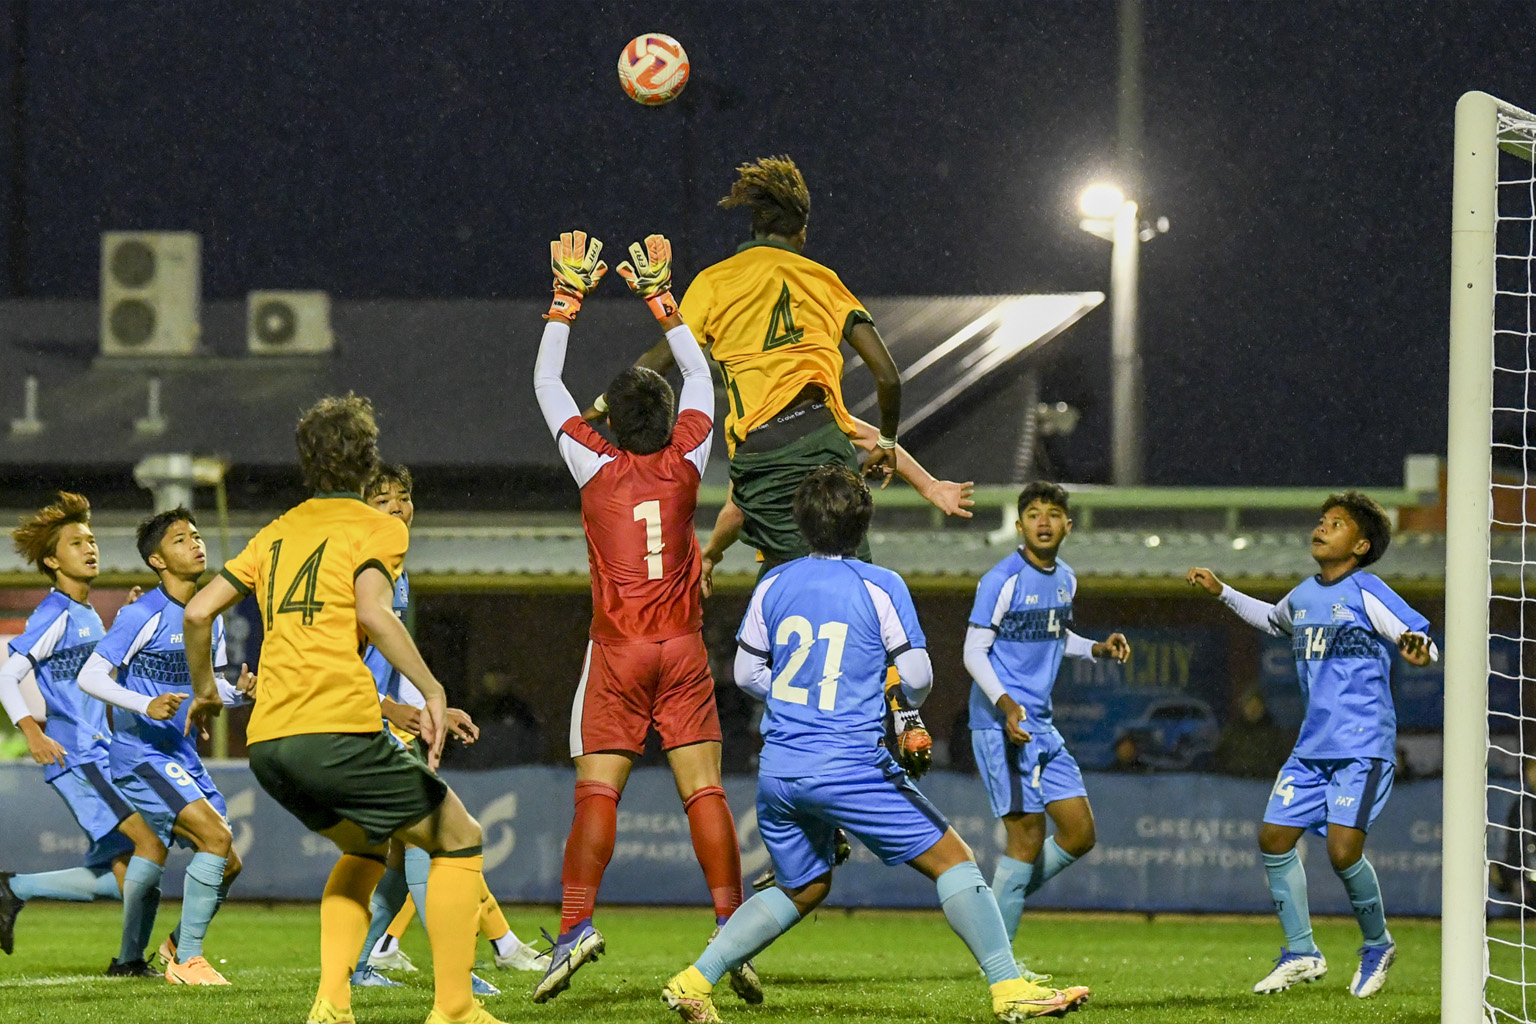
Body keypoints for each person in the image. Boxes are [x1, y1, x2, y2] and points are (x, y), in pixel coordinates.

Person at [661, 466, 1089, 1024]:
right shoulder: (880, 583)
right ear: (863, 522)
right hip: (848, 764)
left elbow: (745, 674)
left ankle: (693, 982)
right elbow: (918, 674)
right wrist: (885, 695)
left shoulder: (774, 583)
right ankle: (1010, 989)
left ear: (802, 522)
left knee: (805, 884)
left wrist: (801, 697)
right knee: (956, 860)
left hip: (781, 767)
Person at [181, 394, 504, 1024]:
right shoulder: (379, 527)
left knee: (364, 848)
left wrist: (204, 691)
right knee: (459, 837)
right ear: (367, 459)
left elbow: (197, 612)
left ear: (307, 463)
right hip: (337, 728)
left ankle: (331, 1004)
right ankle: (456, 1009)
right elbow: (372, 613)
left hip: (270, 743)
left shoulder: (275, 532)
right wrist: (433, 688)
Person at [530, 231, 752, 1005]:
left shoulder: (594, 462)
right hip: (684, 648)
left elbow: (547, 383)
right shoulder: (691, 456)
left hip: (619, 652)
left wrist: (568, 300)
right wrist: (663, 298)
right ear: (666, 416)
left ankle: (573, 928)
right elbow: (698, 371)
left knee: (598, 794)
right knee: (706, 794)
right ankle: (731, 928)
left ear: (611, 423)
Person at [591, 155, 903, 573]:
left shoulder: (715, 281)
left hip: (763, 454)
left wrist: (606, 403)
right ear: (802, 235)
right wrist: (885, 441)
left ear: (753, 229)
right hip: (822, 440)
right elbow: (887, 376)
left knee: (785, 578)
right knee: (852, 578)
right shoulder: (823, 279)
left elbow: (659, 360)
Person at [1188, 490, 1437, 999]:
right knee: (1274, 838)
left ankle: (1377, 944)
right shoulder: (1303, 595)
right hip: (1311, 749)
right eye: (1322, 520)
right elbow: (1274, 620)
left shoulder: (1368, 590)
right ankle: (1302, 952)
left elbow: (1417, 637)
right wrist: (1222, 590)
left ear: (1361, 545)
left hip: (1362, 747)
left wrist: (1420, 649)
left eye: (1337, 523)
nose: (1322, 527)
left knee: (1344, 853)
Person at [351, 464, 547, 989]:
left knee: (404, 849)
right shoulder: (357, 570)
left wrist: (434, 704)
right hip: (363, 726)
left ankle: (367, 963)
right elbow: (341, 664)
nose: (397, 507)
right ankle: (462, 966)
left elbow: (391, 661)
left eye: (404, 496)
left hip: (385, 725)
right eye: (382, 498)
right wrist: (394, 712)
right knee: (436, 841)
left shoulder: (394, 571)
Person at [964, 481, 1130, 979]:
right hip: (1002, 723)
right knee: (1027, 839)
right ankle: (1001, 966)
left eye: (1053, 513)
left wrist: (1094, 648)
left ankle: (991, 910)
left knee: (1079, 833)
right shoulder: (1002, 578)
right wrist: (1007, 704)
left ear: (1067, 527)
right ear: (1019, 526)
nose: (1043, 521)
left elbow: (1058, 636)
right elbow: (973, 651)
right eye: (1033, 513)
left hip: (1041, 726)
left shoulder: (1067, 580)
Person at [77, 508, 249, 985]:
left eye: (196, 536)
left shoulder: (206, 617)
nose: (195, 544)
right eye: (180, 539)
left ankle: (171, 949)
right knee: (215, 840)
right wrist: (143, 702)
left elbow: (207, 689)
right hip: (141, 755)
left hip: (181, 754)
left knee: (228, 861)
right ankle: (187, 961)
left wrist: (239, 692)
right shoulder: (141, 613)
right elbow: (89, 675)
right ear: (157, 559)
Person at [0, 492, 167, 976]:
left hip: (101, 752)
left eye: (91, 540)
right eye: (76, 543)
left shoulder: (87, 613)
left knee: (123, 876)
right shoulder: (53, 613)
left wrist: (126, 628)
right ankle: (130, 962)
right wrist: (31, 730)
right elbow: (7, 675)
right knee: (149, 848)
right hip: (79, 757)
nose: (90, 548)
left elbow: (97, 675)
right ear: (53, 560)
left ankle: (14, 890)